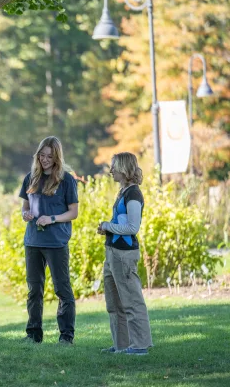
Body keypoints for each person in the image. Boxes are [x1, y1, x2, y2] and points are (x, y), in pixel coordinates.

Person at [19, 136, 79, 345]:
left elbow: (73, 212)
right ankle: (33, 334)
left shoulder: (66, 180)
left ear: (57, 158)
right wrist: (25, 214)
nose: (44, 160)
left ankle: (66, 336)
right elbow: (25, 207)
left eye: (49, 156)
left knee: (62, 289)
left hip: (56, 242)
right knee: (34, 290)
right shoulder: (31, 178)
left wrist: (52, 218)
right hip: (33, 241)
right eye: (41, 155)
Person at [98, 152, 153, 355]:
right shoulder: (122, 192)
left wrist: (107, 225)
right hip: (112, 252)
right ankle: (122, 345)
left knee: (131, 301)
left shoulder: (133, 194)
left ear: (123, 168)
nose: (111, 170)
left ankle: (139, 346)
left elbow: (132, 227)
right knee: (114, 304)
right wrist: (107, 229)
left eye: (114, 166)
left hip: (124, 255)